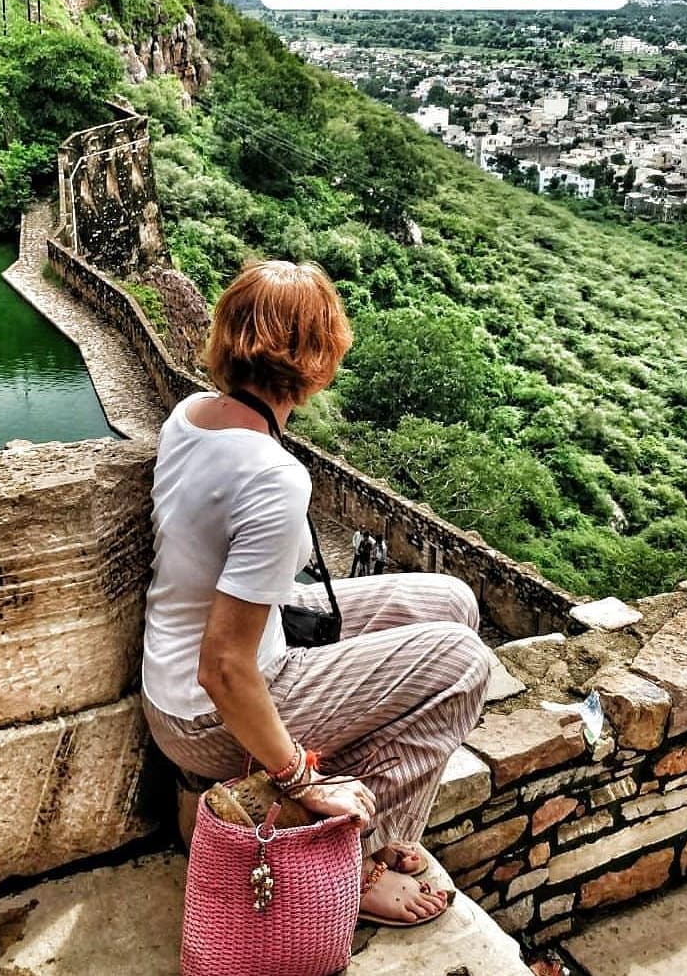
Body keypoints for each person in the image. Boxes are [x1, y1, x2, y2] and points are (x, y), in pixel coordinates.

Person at [142, 260, 492, 927]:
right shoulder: (272, 476)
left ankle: (375, 810)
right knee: (463, 660)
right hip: (206, 715)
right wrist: (301, 777)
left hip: (185, 669)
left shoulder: (192, 415)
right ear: (320, 357)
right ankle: (349, 858)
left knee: (449, 601)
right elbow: (224, 666)